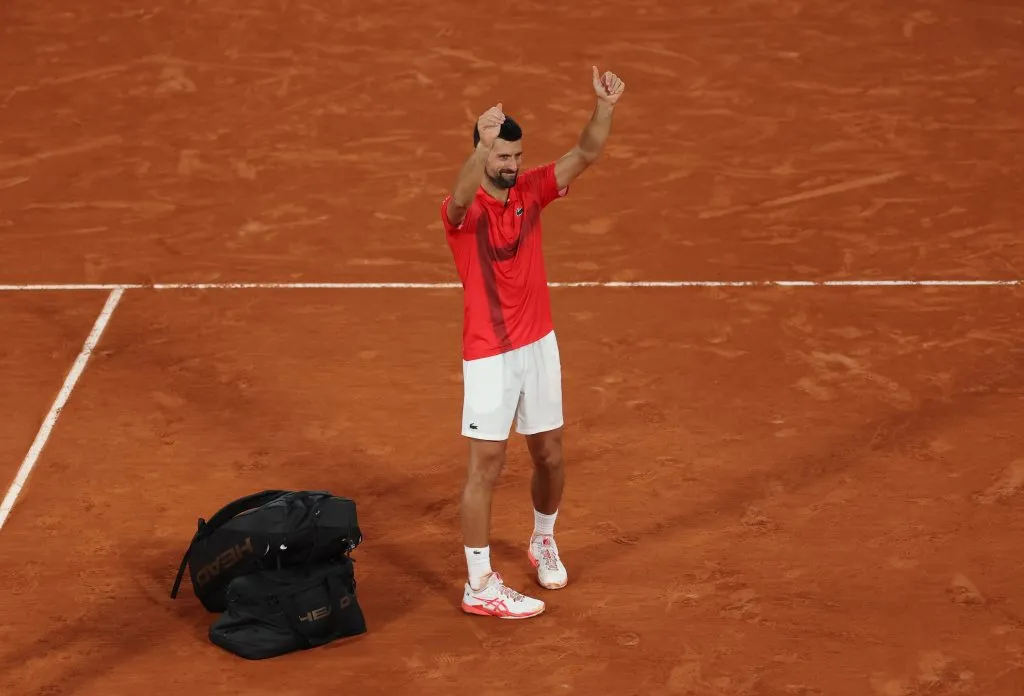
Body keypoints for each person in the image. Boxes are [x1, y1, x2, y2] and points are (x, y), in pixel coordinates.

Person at [438, 66, 626, 619]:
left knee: (550, 455)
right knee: (486, 466)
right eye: (501, 156)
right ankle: (479, 584)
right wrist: (481, 142)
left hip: (539, 344)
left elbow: (584, 154)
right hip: (490, 354)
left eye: (516, 157)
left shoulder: (532, 189)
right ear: (482, 153)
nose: (511, 166)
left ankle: (543, 538)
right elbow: (459, 192)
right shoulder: (461, 211)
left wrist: (605, 108)